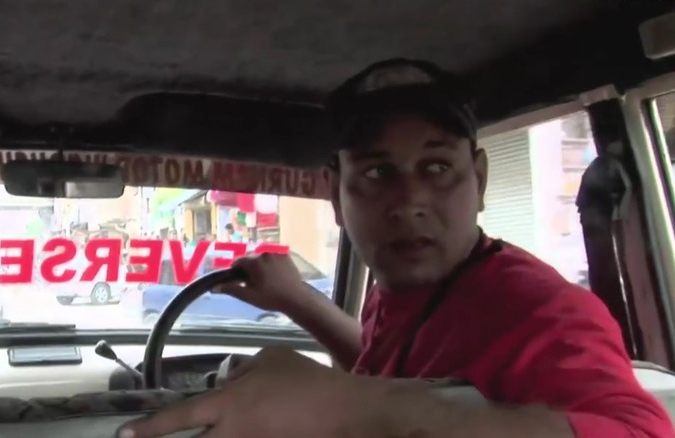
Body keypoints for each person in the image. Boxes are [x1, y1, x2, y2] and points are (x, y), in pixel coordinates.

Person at [118, 59, 674, 437]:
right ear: (336, 194)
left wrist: (351, 405)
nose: (409, 201)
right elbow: (392, 370)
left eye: (437, 168)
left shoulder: (541, 312)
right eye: (378, 172)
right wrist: (297, 302)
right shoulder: (403, 292)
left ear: (478, 182)